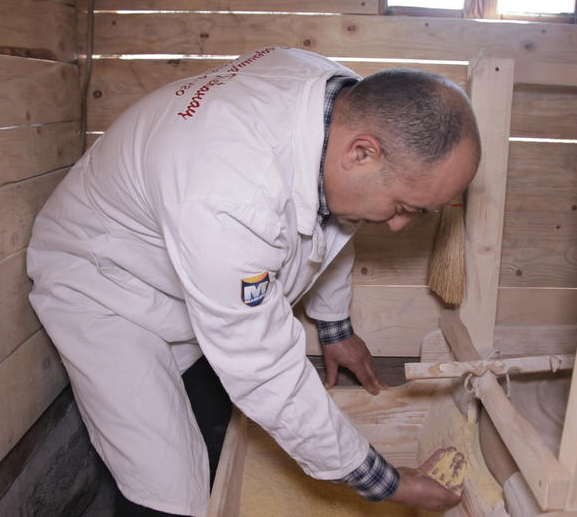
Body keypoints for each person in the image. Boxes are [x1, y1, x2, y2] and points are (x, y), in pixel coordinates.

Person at [26, 46, 481, 516]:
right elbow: (264, 367)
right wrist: (384, 482)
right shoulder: (227, 196)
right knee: (167, 485)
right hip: (105, 286)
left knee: (215, 430)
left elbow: (335, 213)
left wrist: (334, 326)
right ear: (361, 153)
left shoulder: (343, 104)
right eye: (404, 207)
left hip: (188, 271)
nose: (399, 225)